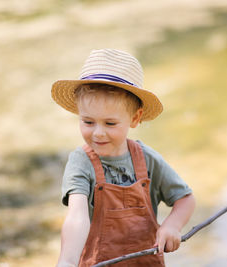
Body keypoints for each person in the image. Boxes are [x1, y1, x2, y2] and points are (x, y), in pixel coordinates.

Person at [52, 49, 195, 267]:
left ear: (135, 118)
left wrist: (172, 226)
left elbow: (185, 199)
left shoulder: (146, 159)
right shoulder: (81, 162)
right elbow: (76, 215)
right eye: (88, 122)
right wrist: (67, 260)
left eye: (110, 123)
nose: (98, 132)